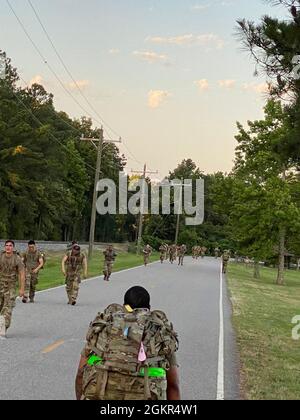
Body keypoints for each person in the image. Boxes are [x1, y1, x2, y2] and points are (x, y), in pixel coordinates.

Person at [75, 286, 180, 400]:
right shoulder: (159, 332)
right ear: (148, 308)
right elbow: (173, 386)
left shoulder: (104, 327)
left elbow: (80, 373)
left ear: (124, 306)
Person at [0, 240, 25, 338]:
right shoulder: (1, 256)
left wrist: (22, 288)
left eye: (10, 246)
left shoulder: (17, 259)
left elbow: (22, 274)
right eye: (6, 245)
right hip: (0, 284)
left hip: (10, 287)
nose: (8, 247)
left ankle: (3, 328)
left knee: (8, 308)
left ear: (13, 247)